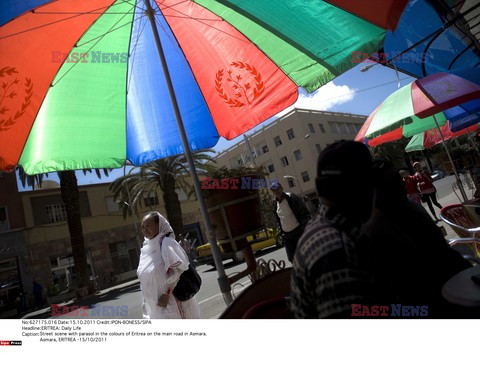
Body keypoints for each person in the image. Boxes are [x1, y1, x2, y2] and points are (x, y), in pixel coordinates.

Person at [290, 141, 385, 318]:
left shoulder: (332, 228)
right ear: (356, 188)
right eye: (371, 182)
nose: (376, 191)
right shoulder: (335, 251)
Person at [363, 160, 471, 317]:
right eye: (393, 182)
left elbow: (442, 250)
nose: (400, 185)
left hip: (454, 282)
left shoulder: (411, 209)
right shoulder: (376, 230)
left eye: (398, 179)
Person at [137, 212, 201, 319]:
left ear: (159, 225)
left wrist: (167, 293)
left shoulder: (167, 243)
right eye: (142, 227)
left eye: (148, 226)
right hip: (154, 306)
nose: (145, 229)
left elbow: (178, 269)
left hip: (170, 302)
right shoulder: (146, 249)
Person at [270, 182, 311, 262]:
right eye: (274, 190)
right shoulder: (275, 203)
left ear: (281, 188)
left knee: (306, 255)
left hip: (298, 232)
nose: (277, 192)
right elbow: (278, 219)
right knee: (292, 258)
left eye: (278, 189)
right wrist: (281, 232)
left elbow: (305, 213)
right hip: (287, 236)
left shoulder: (291, 197)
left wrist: (304, 228)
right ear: (273, 192)